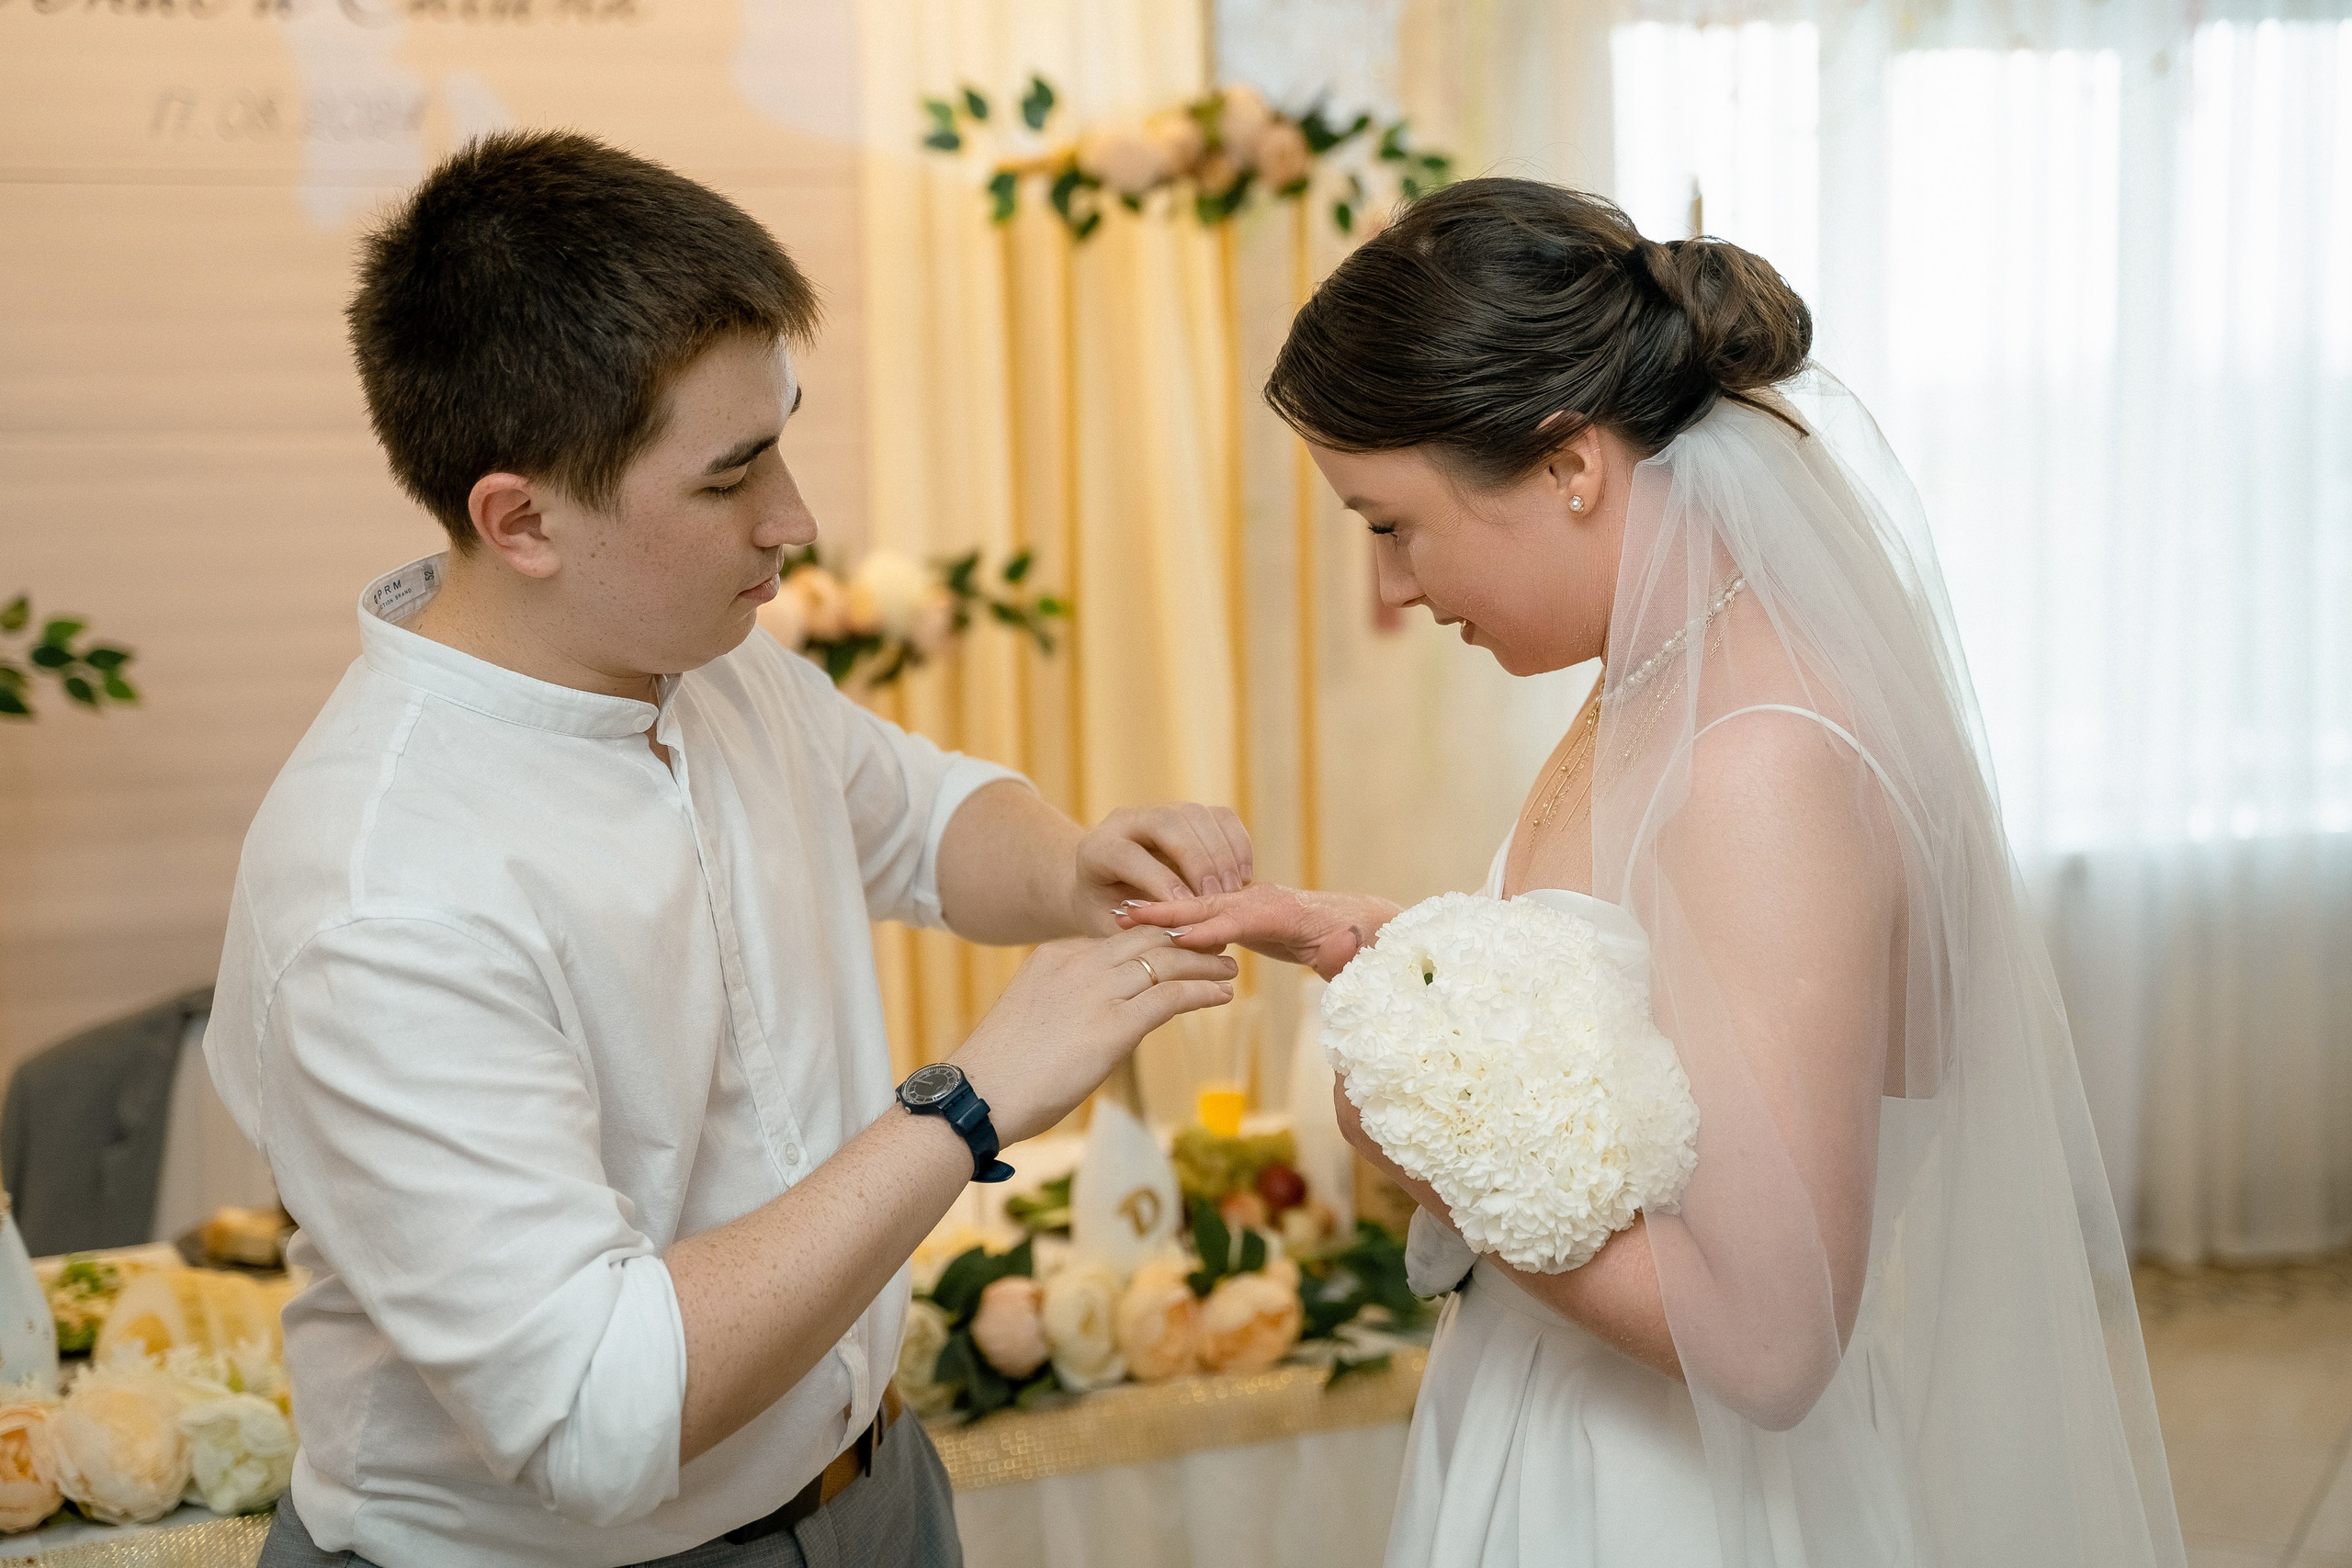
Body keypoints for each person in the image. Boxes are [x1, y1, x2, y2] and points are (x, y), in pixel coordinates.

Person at [206, 130, 1245, 1568]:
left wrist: (1078, 866)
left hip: (870, 1488)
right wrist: (970, 1104)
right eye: (729, 478)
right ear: (522, 520)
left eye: (785, 438)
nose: (796, 521)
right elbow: (596, 1412)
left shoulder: (706, 659)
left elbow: (921, 814)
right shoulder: (383, 894)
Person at [1125, 179, 2188, 1567]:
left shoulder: (1759, 766)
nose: (1387, 586)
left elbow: (1768, 1337)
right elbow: (1654, 1000)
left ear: (1570, 467)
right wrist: (1384, 949)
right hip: (1564, 1423)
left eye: (1391, 523)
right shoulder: (1655, 667)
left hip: (1663, 1500)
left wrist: (1423, 1141)